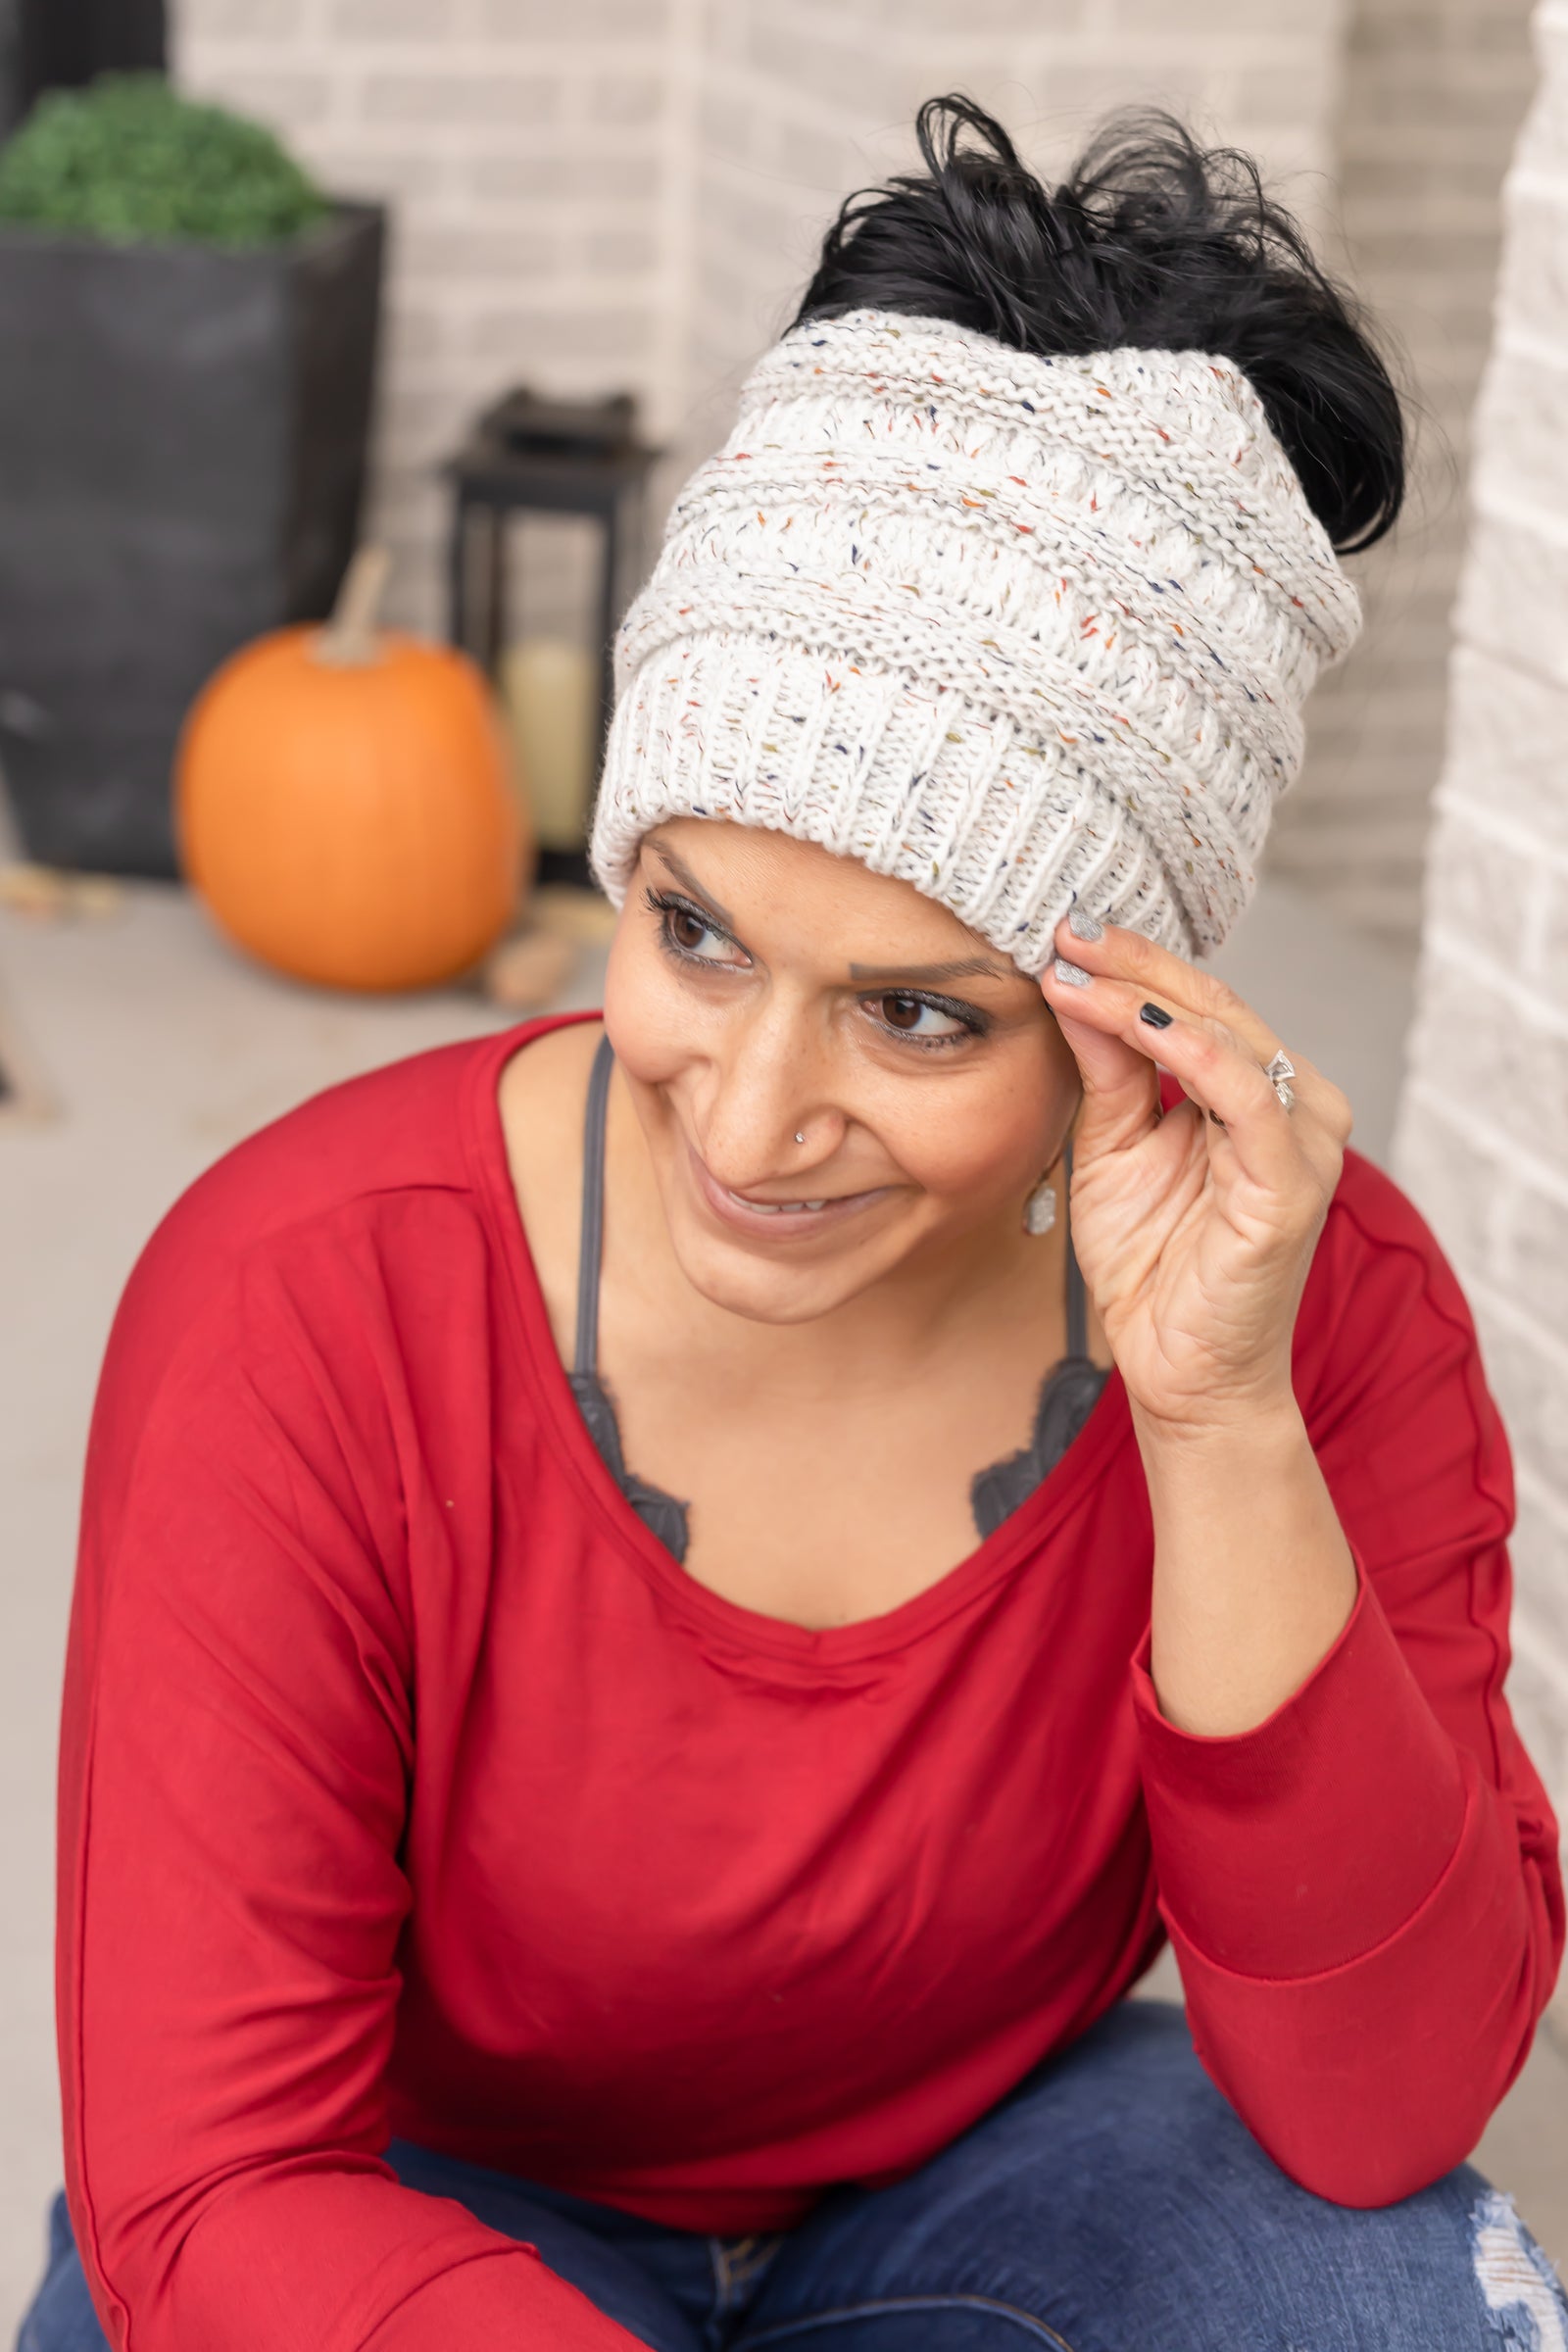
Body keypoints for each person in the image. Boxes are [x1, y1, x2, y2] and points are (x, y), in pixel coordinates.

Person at [22, 97, 1567, 2352]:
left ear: (1121, 1025)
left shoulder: (1311, 1315)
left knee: (1400, 2307)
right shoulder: (304, 1302)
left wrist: (1215, 1413)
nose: (750, 1117)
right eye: (695, 933)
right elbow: (217, 2183)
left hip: (982, 2196)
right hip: (391, 2217)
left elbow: (1379, 2104)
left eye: (919, 1018)